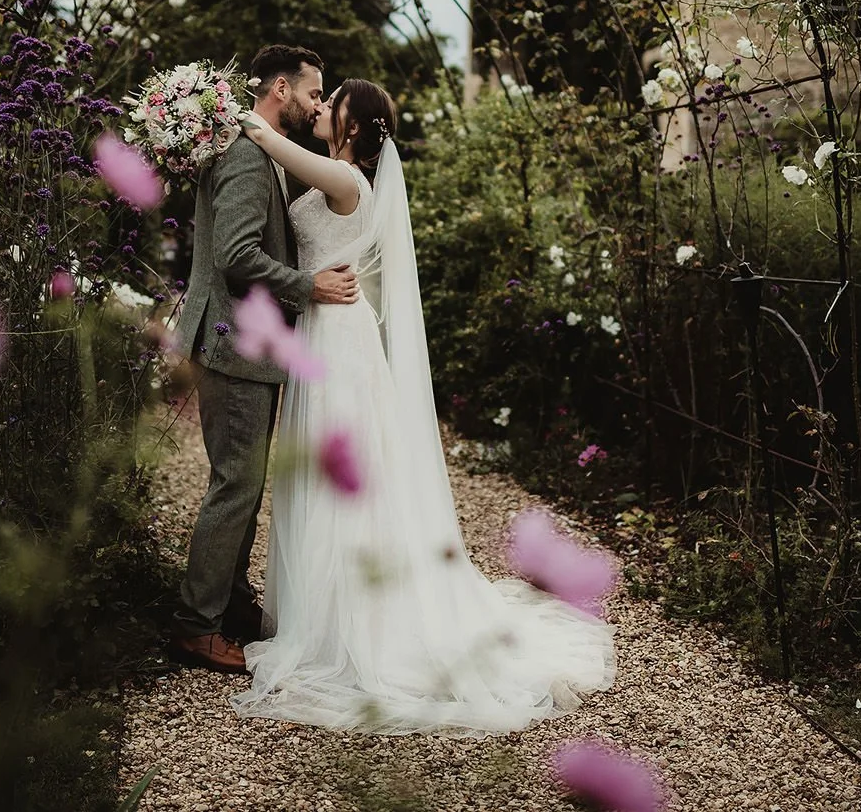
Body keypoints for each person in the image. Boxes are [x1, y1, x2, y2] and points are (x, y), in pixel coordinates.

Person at [229, 79, 616, 735]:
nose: (321, 107)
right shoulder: (337, 173)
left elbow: (263, 133)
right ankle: (324, 612)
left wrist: (205, 103)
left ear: (352, 124)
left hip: (339, 342)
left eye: (333, 101)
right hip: (327, 332)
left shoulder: (347, 180)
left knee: (342, 482)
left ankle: (351, 627)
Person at [170, 45, 359, 674]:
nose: (317, 104)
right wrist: (312, 287)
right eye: (313, 92)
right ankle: (197, 627)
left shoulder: (260, 149)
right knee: (236, 486)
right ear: (281, 87)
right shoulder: (251, 156)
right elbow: (237, 256)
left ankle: (229, 605)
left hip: (241, 342)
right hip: (233, 343)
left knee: (244, 485)